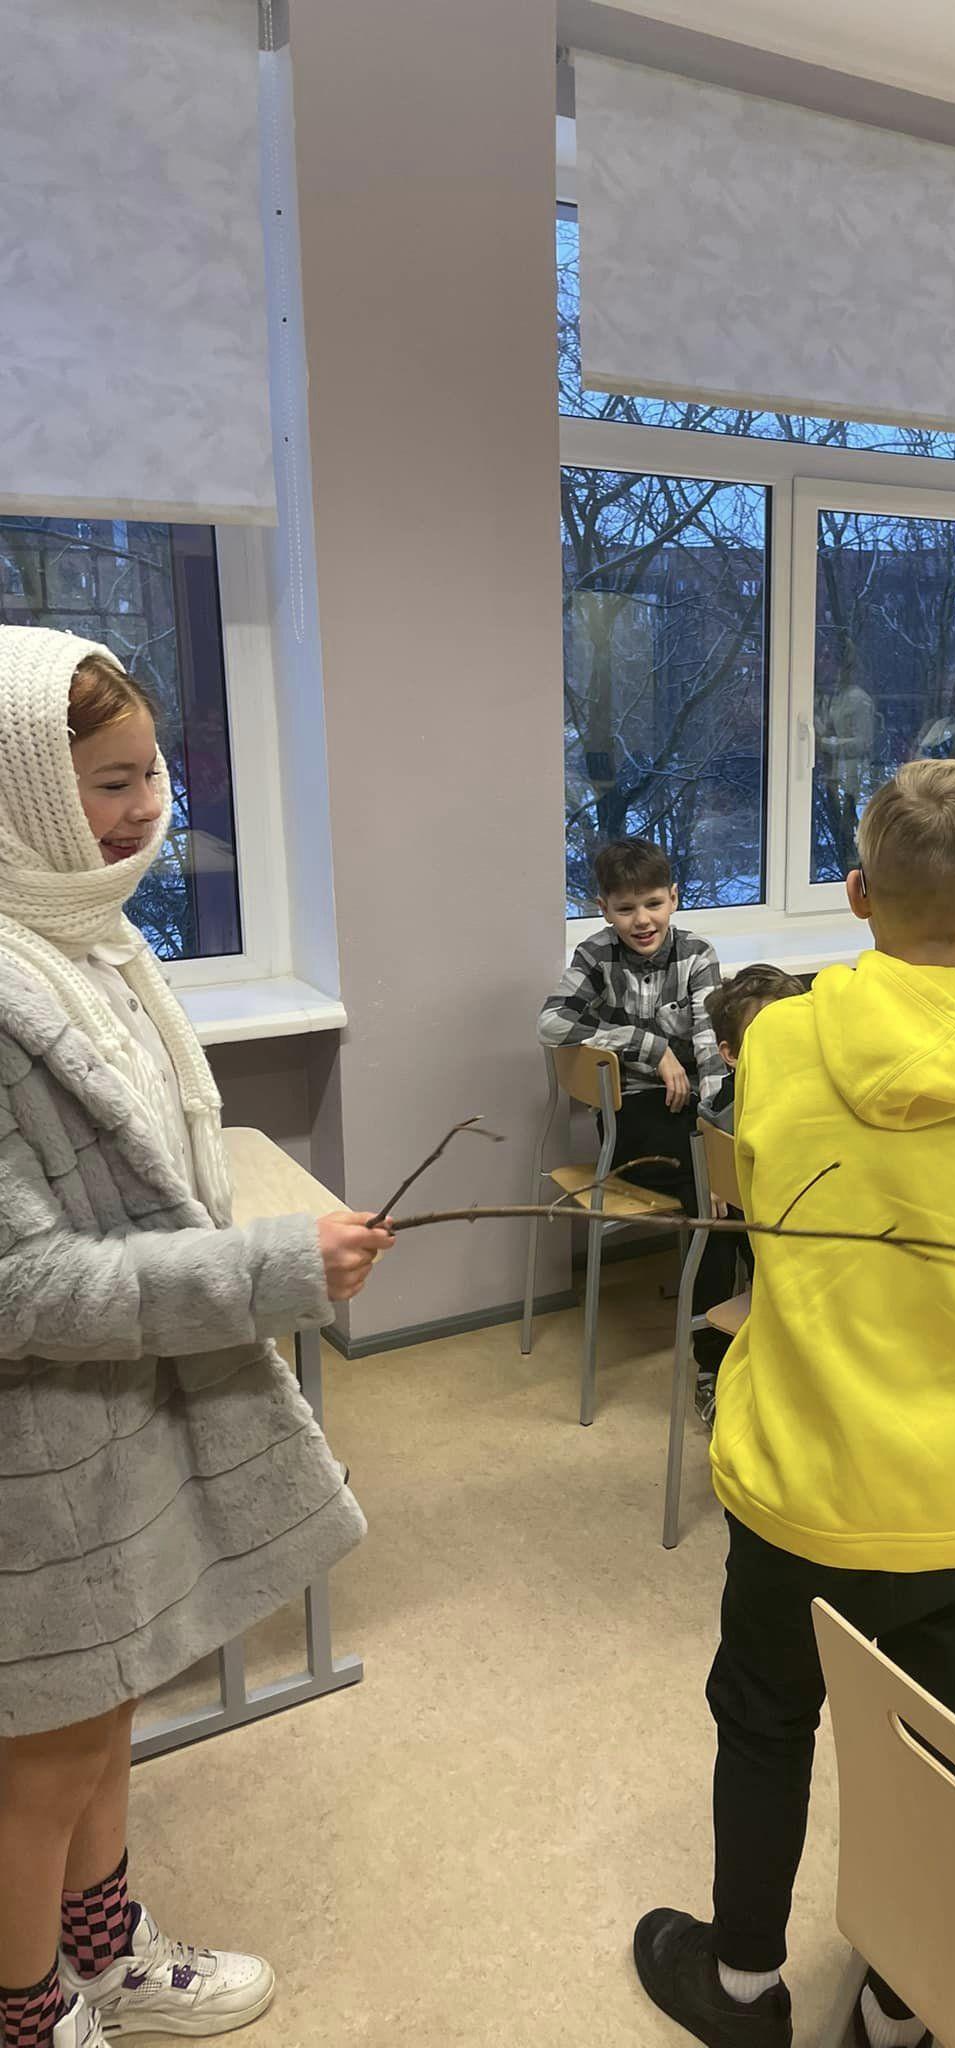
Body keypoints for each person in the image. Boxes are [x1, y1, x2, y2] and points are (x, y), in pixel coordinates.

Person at [632, 760, 955, 2048]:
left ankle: (743, 1986)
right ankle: (900, 2008)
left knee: (765, 1721)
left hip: (805, 1477)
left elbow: (765, 1214)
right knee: (944, 1763)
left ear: (854, 893)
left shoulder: (782, 1040)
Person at [0, 626, 395, 2048]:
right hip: (37, 1448)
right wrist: (270, 1270)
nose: (145, 809)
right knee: (42, 1758)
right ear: (22, 793)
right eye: (108, 783)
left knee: (101, 1709)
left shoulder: (85, 938)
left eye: (153, 774)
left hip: (113, 1418)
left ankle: (103, 1956)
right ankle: (26, 2011)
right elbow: (21, 1284)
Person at [538, 838, 734, 1416]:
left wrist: (715, 1135)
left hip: (692, 1109)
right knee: (714, 1198)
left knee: (736, 1181)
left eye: (653, 903)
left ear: (674, 897)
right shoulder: (596, 956)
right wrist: (650, 1047)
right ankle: (714, 1365)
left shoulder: (697, 955)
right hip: (633, 1117)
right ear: (604, 909)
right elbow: (551, 1024)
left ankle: (754, 1332)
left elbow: (711, 1054)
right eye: (625, 908)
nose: (641, 920)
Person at [701, 964, 806, 1136]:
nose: (786, 1044)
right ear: (731, 1054)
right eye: (768, 1034)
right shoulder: (731, 1120)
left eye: (794, 1030)